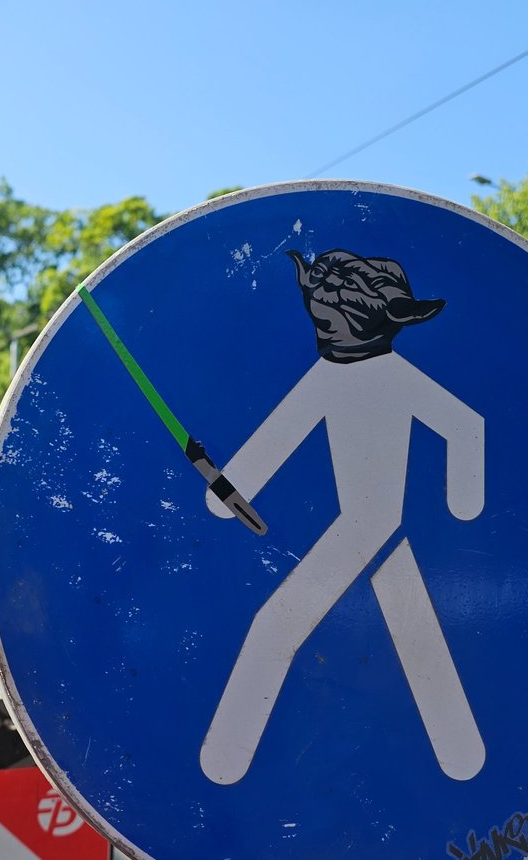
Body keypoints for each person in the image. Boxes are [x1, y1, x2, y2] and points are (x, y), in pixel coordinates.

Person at [199, 249, 486, 786]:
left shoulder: (394, 377)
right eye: (319, 313)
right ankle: (464, 760)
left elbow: (466, 427)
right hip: (376, 531)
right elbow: (277, 438)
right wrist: (225, 489)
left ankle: (222, 767)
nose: (322, 325)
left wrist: (463, 502)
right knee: (418, 637)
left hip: (371, 527)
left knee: (272, 626)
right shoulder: (328, 375)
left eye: (333, 315)